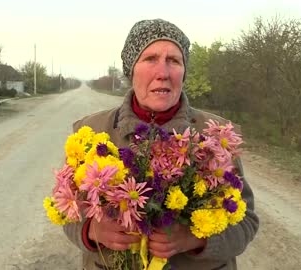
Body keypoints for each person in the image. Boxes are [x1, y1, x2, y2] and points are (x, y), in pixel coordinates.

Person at [63, 18, 259, 270]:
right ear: (130, 69)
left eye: (174, 61)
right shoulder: (90, 132)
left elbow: (247, 222)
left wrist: (196, 239)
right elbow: (66, 212)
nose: (163, 73)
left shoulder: (218, 136)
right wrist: (90, 230)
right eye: (150, 59)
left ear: (184, 72)